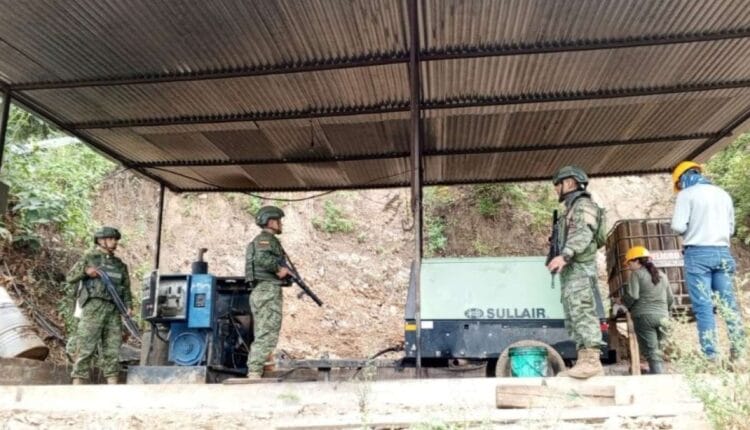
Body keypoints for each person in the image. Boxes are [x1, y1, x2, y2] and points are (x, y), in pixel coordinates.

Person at [671, 161, 745, 362]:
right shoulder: (723, 194)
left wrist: (693, 229)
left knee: (703, 307)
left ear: (682, 178)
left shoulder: (686, 194)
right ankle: (739, 354)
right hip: (723, 252)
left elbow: (677, 226)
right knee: (729, 305)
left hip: (698, 254)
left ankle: (711, 355)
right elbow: (730, 229)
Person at [546, 165, 606, 378]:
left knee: (582, 310)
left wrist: (565, 254)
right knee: (573, 315)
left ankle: (592, 361)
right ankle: (584, 361)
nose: (556, 190)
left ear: (569, 183)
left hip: (579, 268)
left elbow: (583, 233)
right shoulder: (571, 209)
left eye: (557, 185)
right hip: (572, 270)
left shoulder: (582, 205)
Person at [67, 227, 132, 385]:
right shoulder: (90, 258)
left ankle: (112, 387)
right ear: (101, 241)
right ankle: (77, 387)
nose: (114, 242)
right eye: (111, 239)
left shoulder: (119, 265)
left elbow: (126, 288)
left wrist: (128, 305)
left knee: (112, 349)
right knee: (85, 347)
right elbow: (70, 277)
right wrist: (86, 272)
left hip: (113, 309)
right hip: (93, 306)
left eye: (115, 239)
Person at [245, 206, 291, 379]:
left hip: (261, 290)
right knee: (267, 332)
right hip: (267, 290)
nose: (281, 224)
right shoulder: (265, 240)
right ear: (271, 221)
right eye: (279, 220)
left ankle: (264, 368)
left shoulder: (265, 240)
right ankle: (255, 371)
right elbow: (262, 258)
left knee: (264, 331)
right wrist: (280, 269)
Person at [622, 246, 673, 374]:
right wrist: (666, 313)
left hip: (644, 317)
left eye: (629, 262)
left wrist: (623, 301)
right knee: (659, 350)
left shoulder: (636, 274)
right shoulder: (662, 275)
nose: (628, 266)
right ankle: (657, 375)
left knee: (652, 352)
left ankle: (658, 380)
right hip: (663, 317)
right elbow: (670, 298)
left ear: (636, 261)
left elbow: (633, 295)